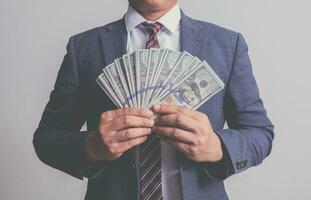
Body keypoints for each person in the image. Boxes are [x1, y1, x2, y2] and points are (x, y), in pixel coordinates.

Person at [33, 0, 274, 200]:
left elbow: (260, 133)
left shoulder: (226, 45)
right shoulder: (84, 48)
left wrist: (217, 147)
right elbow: (47, 139)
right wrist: (92, 146)